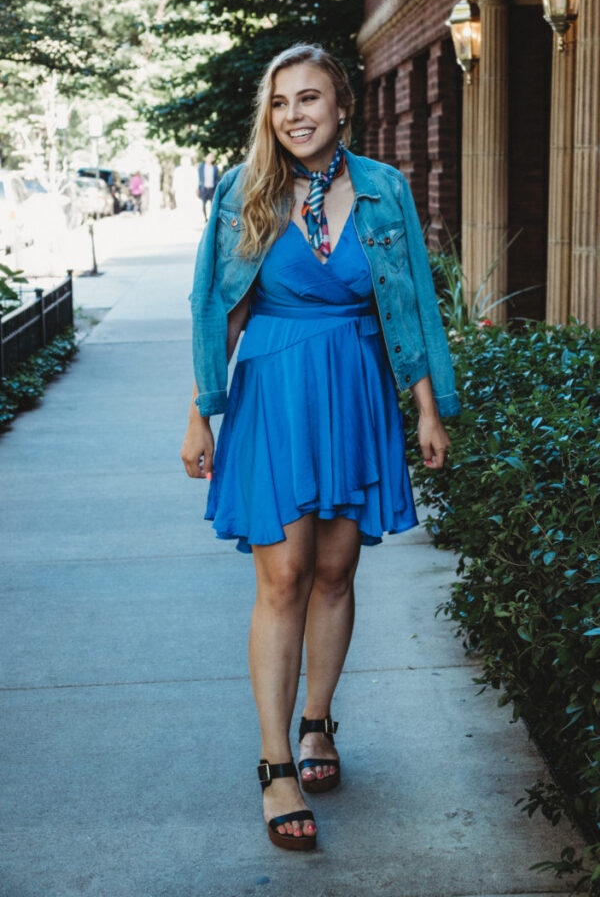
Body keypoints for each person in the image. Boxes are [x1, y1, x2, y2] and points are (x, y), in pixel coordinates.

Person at [181, 43, 459, 852]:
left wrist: (426, 409)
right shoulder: (243, 190)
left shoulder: (382, 189)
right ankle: (276, 768)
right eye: (279, 102)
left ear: (342, 105)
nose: (294, 115)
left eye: (309, 98)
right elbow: (217, 306)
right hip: (273, 386)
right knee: (284, 576)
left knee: (336, 570)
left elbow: (408, 306)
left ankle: (316, 723)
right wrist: (203, 409)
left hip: (354, 387)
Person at [197, 153, 219, 222]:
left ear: (212, 159)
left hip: (212, 189)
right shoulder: (201, 167)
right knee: (203, 205)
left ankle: (211, 219)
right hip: (204, 189)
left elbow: (216, 179)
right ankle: (205, 218)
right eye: (209, 157)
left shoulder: (215, 168)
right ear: (206, 158)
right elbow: (199, 178)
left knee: (213, 205)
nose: (210, 159)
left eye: (211, 157)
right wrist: (198, 188)